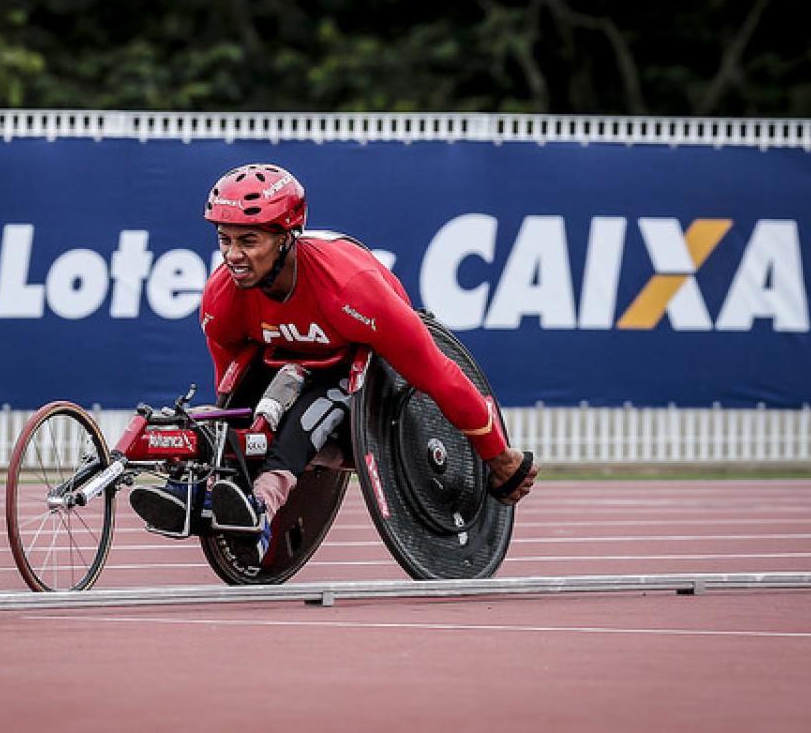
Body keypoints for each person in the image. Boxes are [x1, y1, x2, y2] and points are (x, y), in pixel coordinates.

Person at [130, 163, 538, 565]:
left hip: (359, 374)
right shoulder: (222, 298)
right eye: (225, 240)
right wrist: (229, 448)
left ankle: (262, 507)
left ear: (286, 236)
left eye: (249, 241)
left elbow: (439, 374)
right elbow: (230, 386)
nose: (233, 256)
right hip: (281, 368)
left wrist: (497, 455)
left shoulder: (353, 290)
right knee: (225, 418)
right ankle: (193, 488)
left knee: (311, 413)